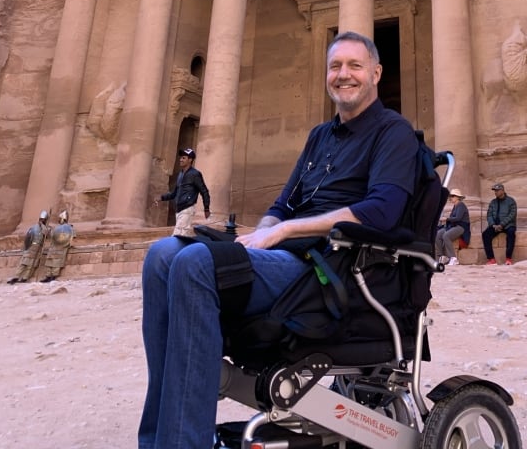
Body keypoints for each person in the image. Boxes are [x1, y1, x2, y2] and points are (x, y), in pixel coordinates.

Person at [139, 30, 420, 449]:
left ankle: (184, 443)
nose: (344, 75)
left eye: (355, 65)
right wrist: (262, 232)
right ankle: (158, 439)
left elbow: (381, 212)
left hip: (331, 269)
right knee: (162, 254)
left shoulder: (393, 132)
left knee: (195, 264)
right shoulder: (319, 136)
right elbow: (283, 203)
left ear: (376, 73)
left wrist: (285, 231)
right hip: (286, 257)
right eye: (335, 66)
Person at [158, 147, 211, 238]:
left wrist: (206, 209)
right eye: (181, 157)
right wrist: (162, 197)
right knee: (183, 236)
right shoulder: (180, 174)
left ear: (190, 160)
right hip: (179, 210)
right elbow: (174, 193)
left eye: (184, 158)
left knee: (177, 236)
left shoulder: (195, 174)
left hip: (187, 209)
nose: (181, 159)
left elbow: (204, 191)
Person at [7, 210, 50, 283]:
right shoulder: (33, 227)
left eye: (43, 220)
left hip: (38, 248)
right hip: (30, 247)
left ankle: (25, 277)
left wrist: (44, 227)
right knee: (23, 263)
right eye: (41, 219)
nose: (42, 221)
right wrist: (25, 247)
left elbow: (47, 235)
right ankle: (16, 277)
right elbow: (28, 237)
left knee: (32, 264)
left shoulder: (46, 229)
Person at [482, 182, 518, 265]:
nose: (495, 192)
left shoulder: (511, 201)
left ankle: (508, 259)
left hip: (508, 225)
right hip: (495, 226)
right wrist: (493, 225)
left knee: (511, 233)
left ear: (502, 190)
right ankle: (491, 259)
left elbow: (512, 215)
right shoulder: (493, 202)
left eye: (497, 190)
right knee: (485, 234)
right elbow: (489, 215)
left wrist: (502, 224)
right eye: (495, 191)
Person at [435, 189, 470, 265]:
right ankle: (441, 257)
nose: (451, 198)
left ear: (458, 197)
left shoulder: (461, 205)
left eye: (453, 196)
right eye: (450, 196)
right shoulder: (455, 206)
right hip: (453, 226)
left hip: (461, 227)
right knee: (438, 234)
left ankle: (453, 258)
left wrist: (446, 219)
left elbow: (458, 218)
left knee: (446, 236)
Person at [39, 208, 75, 282]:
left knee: (56, 263)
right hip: (53, 248)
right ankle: (48, 276)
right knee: (49, 262)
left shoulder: (69, 227)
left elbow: (71, 237)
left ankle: (53, 276)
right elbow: (50, 235)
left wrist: (70, 244)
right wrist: (44, 226)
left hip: (61, 248)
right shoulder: (56, 228)